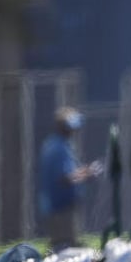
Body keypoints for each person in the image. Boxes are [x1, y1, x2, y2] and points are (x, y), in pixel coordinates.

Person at [38, 106, 103, 252]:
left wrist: (84, 171)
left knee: (66, 245)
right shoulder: (58, 147)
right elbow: (65, 178)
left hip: (60, 208)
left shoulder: (57, 145)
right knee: (65, 248)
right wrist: (88, 174)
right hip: (61, 209)